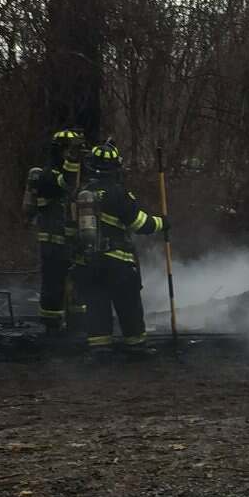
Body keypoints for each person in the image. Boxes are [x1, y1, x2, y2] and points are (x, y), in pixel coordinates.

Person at [76, 144, 166, 357]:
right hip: (117, 263)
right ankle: (135, 347)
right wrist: (163, 223)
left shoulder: (82, 192)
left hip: (87, 263)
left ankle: (100, 349)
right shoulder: (119, 192)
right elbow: (139, 223)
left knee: (97, 305)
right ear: (116, 167)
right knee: (128, 305)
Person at [24, 128, 85, 335]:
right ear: (58, 151)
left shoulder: (75, 174)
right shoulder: (48, 175)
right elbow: (66, 184)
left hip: (74, 241)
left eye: (73, 151)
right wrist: (74, 159)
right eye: (67, 151)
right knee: (54, 286)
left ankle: (77, 325)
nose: (70, 155)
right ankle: (52, 327)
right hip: (54, 242)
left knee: (78, 283)